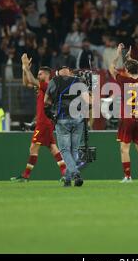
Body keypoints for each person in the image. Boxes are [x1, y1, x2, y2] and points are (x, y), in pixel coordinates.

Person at [11, 54, 66, 182]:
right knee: (53, 148)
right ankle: (65, 172)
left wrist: (26, 67)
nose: (38, 76)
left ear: (47, 75)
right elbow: (26, 83)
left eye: (40, 74)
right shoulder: (42, 86)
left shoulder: (49, 85)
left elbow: (31, 80)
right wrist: (25, 70)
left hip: (44, 122)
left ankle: (26, 175)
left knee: (34, 147)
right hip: (45, 121)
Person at [109, 43, 138, 183]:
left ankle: (128, 176)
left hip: (127, 118)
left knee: (124, 148)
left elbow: (111, 67)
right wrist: (129, 58)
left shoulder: (124, 81)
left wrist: (118, 55)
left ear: (127, 70)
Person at [44, 64, 89, 187]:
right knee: (74, 150)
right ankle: (68, 179)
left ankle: (75, 173)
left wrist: (50, 114)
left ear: (58, 72)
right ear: (69, 72)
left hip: (62, 118)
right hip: (77, 118)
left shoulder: (54, 81)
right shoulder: (78, 81)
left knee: (64, 150)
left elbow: (46, 101)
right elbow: (88, 102)